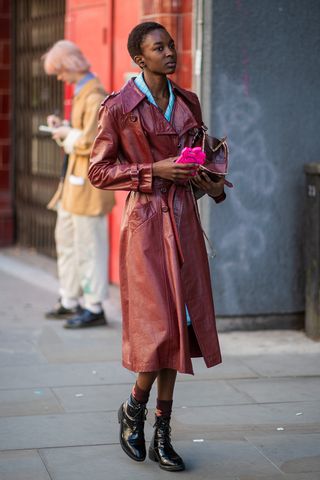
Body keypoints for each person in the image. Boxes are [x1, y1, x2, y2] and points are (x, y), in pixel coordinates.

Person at [89, 22, 226, 472]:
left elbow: (197, 157)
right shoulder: (118, 107)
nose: (170, 52)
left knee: (181, 330)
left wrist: (206, 174)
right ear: (139, 58)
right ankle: (134, 409)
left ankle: (161, 429)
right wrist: (154, 170)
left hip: (185, 222)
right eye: (158, 48)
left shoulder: (188, 101)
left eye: (170, 45)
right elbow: (99, 171)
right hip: (146, 228)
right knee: (161, 330)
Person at [42, 40, 115, 329]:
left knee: (88, 245)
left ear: (70, 66)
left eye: (60, 72)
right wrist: (63, 128)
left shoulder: (94, 93)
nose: (60, 78)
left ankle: (93, 305)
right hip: (73, 183)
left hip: (87, 183)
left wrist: (66, 133)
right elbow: (81, 134)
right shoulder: (84, 91)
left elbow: (94, 140)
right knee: (69, 240)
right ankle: (70, 299)